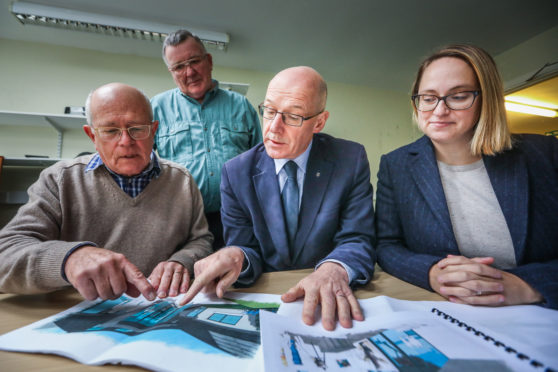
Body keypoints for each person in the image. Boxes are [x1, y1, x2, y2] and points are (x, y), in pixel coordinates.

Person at [179, 66, 376, 331]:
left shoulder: (350, 160)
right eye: (269, 111)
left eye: (293, 116)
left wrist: (333, 270)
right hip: (268, 302)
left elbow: (357, 237)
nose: (273, 128)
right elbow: (246, 246)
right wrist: (236, 254)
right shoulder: (236, 172)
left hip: (330, 302)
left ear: (319, 122)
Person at [375, 44, 558, 309]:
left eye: (458, 96)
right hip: (449, 311)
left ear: (487, 99)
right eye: (428, 98)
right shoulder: (396, 165)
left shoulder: (544, 154)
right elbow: (387, 245)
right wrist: (431, 272)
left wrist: (530, 285)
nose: (438, 110)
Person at [0, 83, 213, 301]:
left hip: (160, 308)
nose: (126, 142)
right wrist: (69, 259)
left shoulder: (182, 181)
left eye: (137, 129)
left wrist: (182, 261)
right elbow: (5, 254)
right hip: (74, 312)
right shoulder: (60, 180)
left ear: (154, 130)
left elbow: (201, 240)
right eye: (110, 131)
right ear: (92, 136)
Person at [151, 29, 262, 249]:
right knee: (186, 278)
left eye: (194, 61)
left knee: (240, 277)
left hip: (238, 218)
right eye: (179, 67)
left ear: (208, 61)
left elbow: (261, 163)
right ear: (171, 72)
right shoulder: (156, 109)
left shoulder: (240, 106)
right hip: (182, 220)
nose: (189, 72)